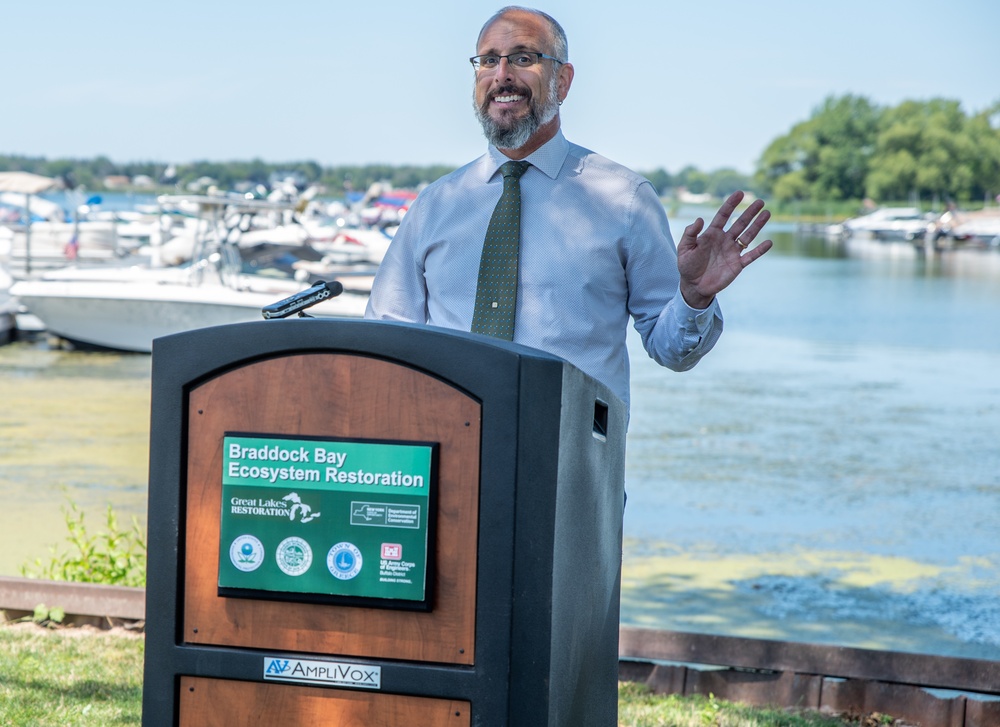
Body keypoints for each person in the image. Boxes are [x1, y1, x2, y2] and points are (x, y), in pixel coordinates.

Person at [365, 6, 771, 414]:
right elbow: (385, 343)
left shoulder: (624, 200)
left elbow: (673, 352)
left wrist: (693, 297)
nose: (502, 74)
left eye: (523, 58)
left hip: (571, 463)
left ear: (563, 80)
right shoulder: (434, 206)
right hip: (449, 454)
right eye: (488, 60)